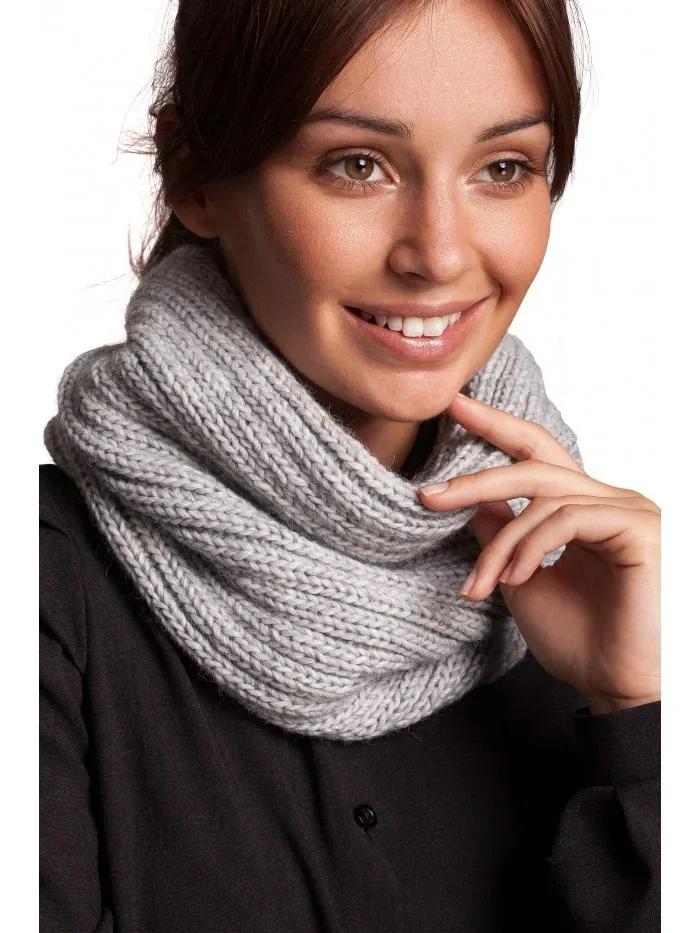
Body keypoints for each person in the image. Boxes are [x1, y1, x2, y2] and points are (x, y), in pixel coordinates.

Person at [39, 0, 661, 930]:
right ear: (195, 174)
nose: (439, 254)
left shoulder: (590, 597)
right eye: (358, 165)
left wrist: (644, 713)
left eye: (502, 168)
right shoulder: (45, 596)